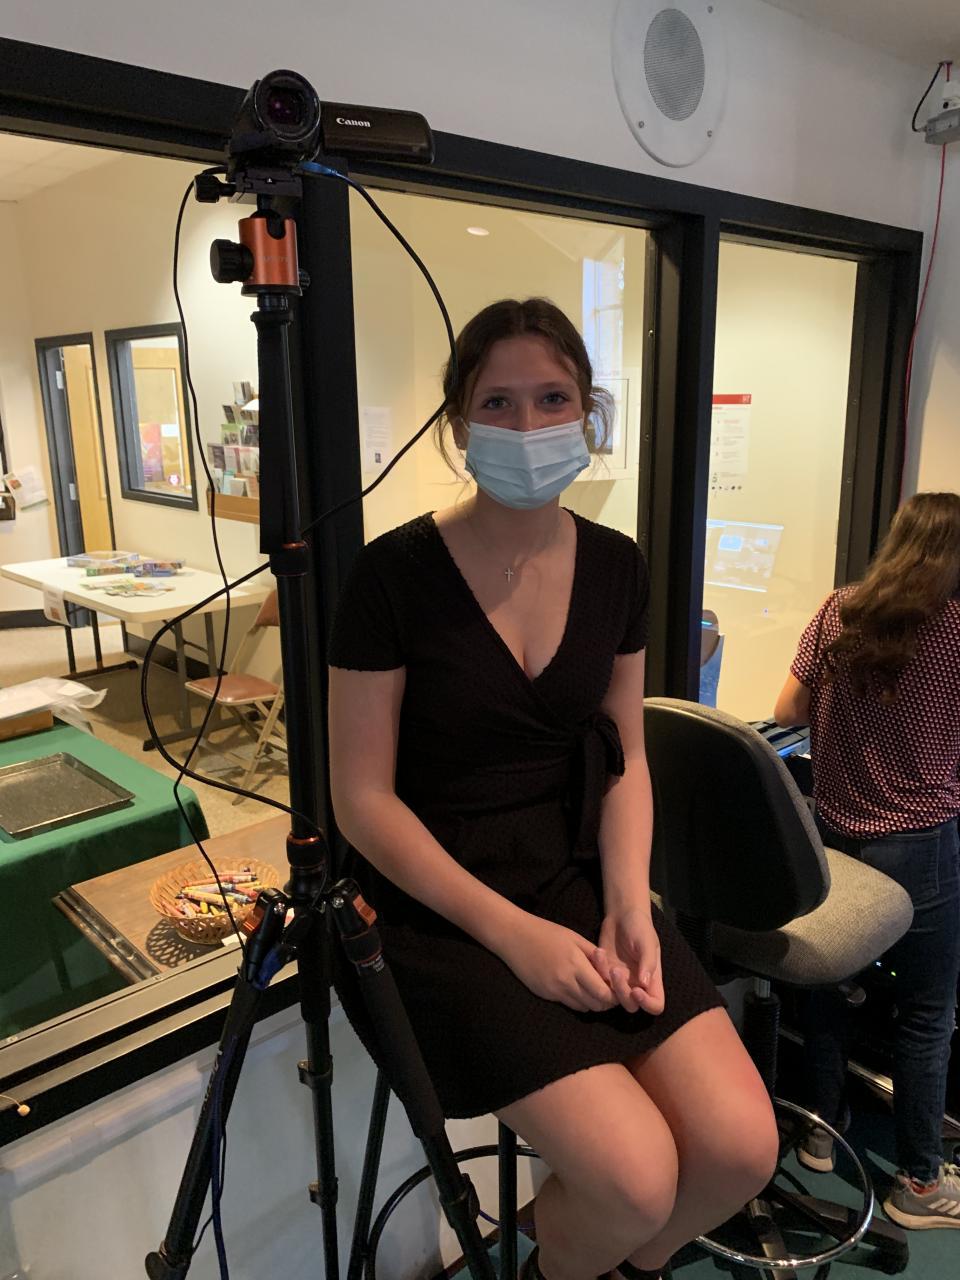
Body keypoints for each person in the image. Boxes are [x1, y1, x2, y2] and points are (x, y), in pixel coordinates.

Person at [329, 297, 778, 1280]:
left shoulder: (617, 566)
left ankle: (591, 1262)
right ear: (458, 422)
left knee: (741, 1148)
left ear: (587, 413)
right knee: (634, 1181)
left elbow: (627, 756)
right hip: (439, 909)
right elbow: (362, 800)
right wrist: (513, 935)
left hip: (573, 877)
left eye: (552, 398)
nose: (527, 424)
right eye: (498, 401)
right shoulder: (389, 576)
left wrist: (630, 903)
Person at [775, 491, 960, 1229]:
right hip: (922, 851)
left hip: (835, 839)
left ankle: (820, 1132)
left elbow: (788, 711)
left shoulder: (839, 611)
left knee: (829, 988)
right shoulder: (956, 627)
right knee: (926, 1013)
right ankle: (920, 1183)